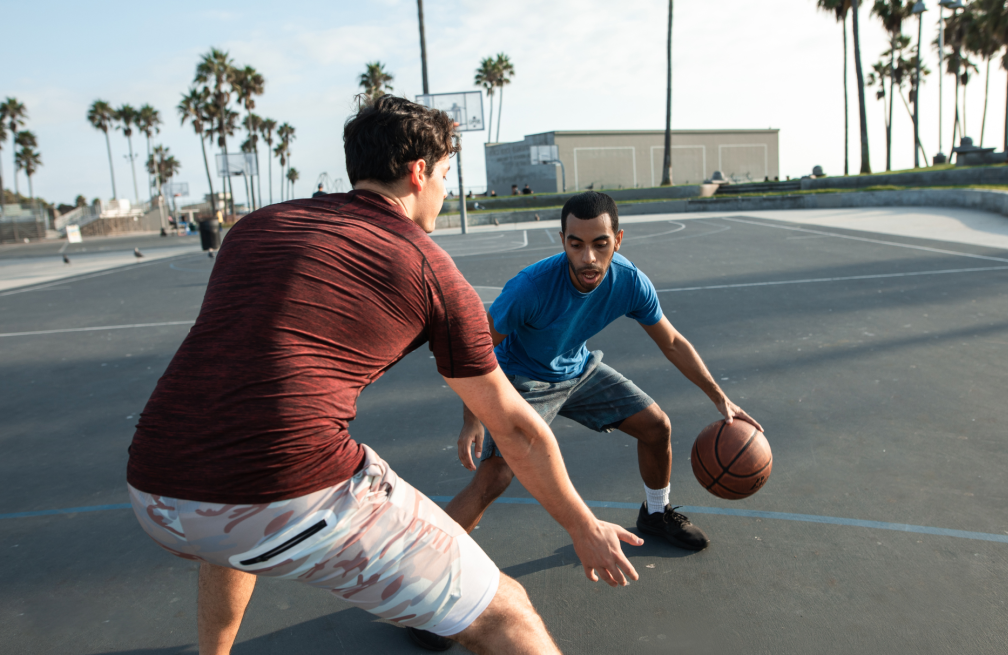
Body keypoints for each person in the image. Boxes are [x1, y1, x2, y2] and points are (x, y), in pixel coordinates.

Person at [126, 96, 641, 655]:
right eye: (445, 175)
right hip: (285, 495)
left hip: (156, 490)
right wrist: (583, 527)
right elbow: (514, 430)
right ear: (419, 173)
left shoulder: (256, 227)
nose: (445, 193)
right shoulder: (429, 268)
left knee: (228, 520)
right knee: (506, 616)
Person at [408, 191, 763, 649]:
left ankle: (655, 514)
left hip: (576, 369)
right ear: (562, 239)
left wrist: (720, 398)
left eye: (599, 243)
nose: (587, 256)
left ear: (618, 239)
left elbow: (671, 341)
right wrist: (473, 417)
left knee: (657, 427)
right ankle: (424, 594)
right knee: (495, 477)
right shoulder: (531, 287)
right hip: (522, 380)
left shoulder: (630, 282)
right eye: (575, 244)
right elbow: (476, 350)